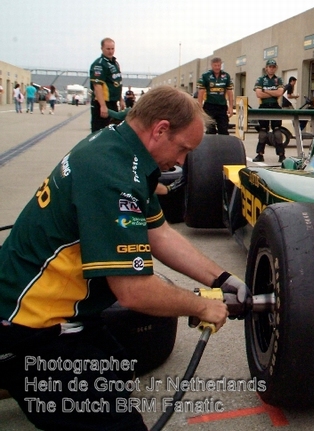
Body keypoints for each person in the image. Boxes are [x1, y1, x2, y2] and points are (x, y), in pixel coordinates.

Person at [0, 86, 246, 430]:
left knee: (116, 367)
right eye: (183, 149)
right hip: (28, 326)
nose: (181, 162)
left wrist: (224, 280)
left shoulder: (119, 149)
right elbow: (134, 291)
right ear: (160, 129)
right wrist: (202, 306)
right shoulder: (111, 177)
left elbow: (158, 234)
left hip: (53, 306)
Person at [253, 59, 286, 162]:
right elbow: (258, 94)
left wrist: (266, 91)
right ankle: (260, 154)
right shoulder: (260, 79)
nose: (271, 68)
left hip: (275, 106)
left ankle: (281, 155)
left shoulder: (279, 80)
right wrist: (273, 92)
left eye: (273, 67)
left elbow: (280, 93)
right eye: (270, 67)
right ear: (266, 68)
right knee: (263, 131)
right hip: (264, 106)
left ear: (275, 68)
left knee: (277, 131)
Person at [89, 38, 124, 132]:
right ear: (102, 48)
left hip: (113, 103)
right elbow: (97, 86)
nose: (111, 51)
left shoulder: (115, 63)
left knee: (114, 130)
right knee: (100, 131)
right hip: (102, 103)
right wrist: (103, 106)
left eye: (112, 49)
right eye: (108, 49)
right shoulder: (99, 64)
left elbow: (116, 83)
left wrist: (121, 99)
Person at [197, 56, 234, 135]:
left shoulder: (226, 76)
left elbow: (230, 92)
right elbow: (201, 92)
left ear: (221, 65)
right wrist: (199, 107)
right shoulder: (205, 76)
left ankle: (223, 146)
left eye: (219, 65)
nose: (217, 67)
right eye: (215, 65)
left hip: (222, 106)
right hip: (209, 106)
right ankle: (211, 146)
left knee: (223, 129)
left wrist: (231, 106)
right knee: (210, 130)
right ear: (211, 65)